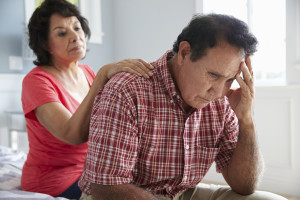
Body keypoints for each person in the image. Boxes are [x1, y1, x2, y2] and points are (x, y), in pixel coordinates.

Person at [78, 14, 287, 200]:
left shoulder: (221, 101)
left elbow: (245, 186)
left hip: (181, 193)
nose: (218, 91)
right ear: (185, 53)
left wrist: (246, 120)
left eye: (230, 79)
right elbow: (106, 188)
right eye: (213, 75)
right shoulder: (126, 90)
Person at [21, 0, 153, 199]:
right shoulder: (36, 81)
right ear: (45, 44)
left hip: (93, 170)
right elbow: (72, 134)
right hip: (55, 181)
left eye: (77, 27)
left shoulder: (87, 72)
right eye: (62, 33)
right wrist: (103, 75)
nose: (75, 36)